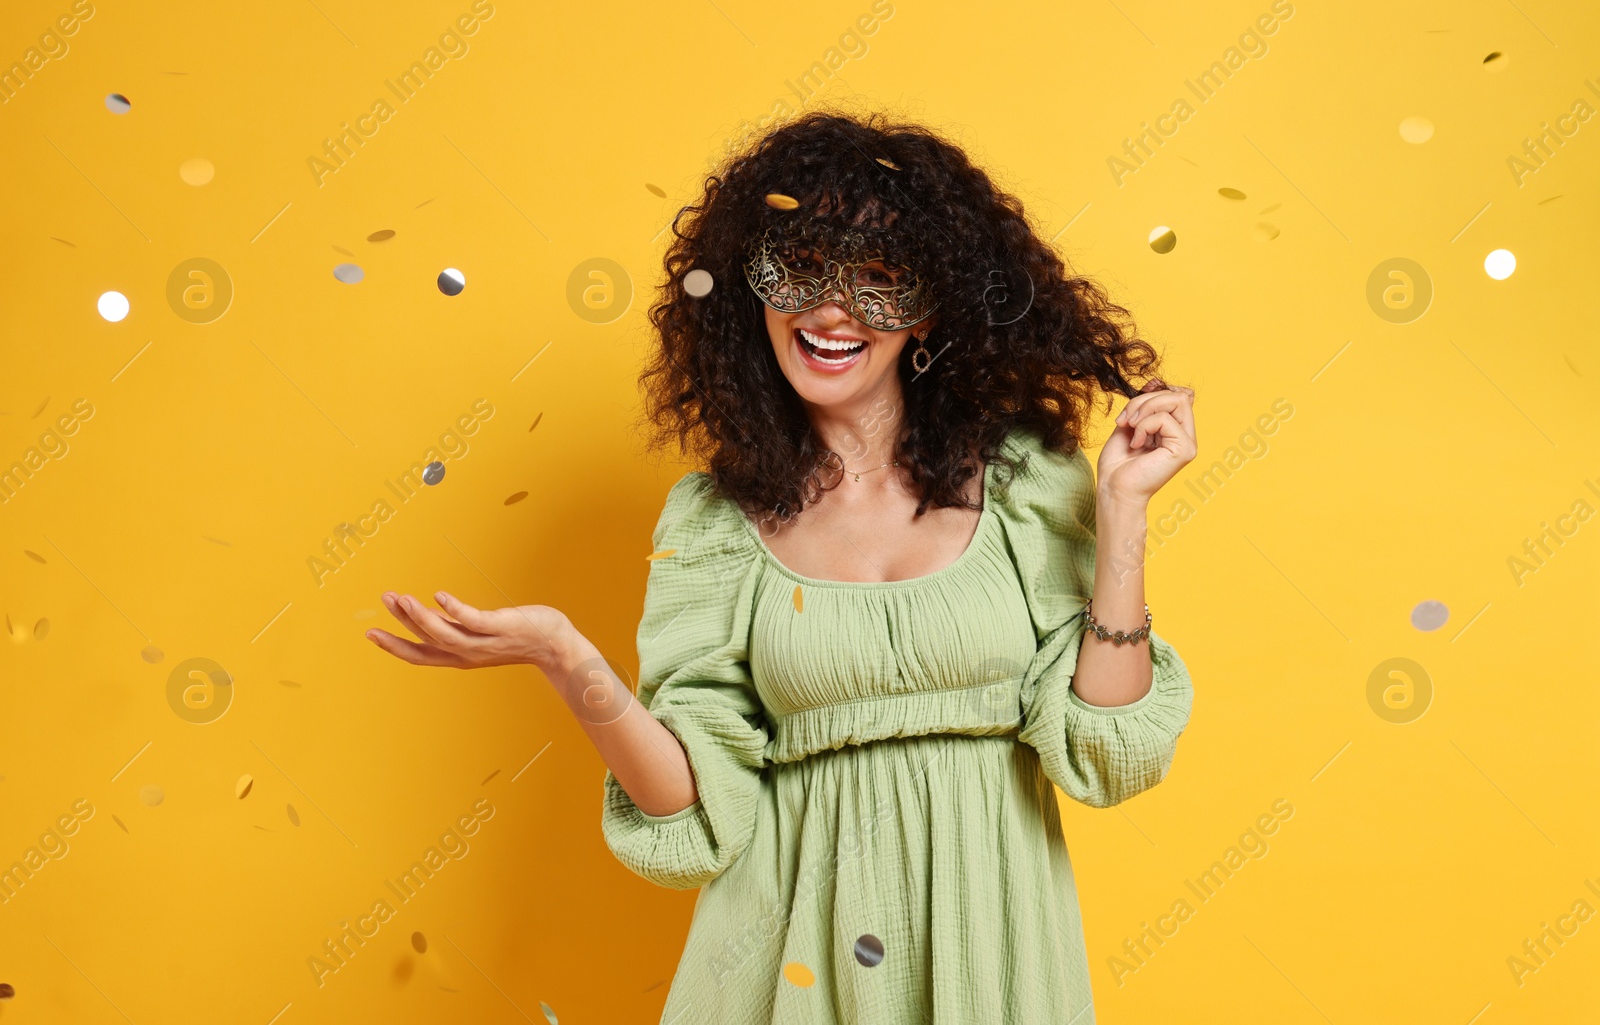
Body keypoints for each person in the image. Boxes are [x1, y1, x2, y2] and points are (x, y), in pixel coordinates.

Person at [366, 109, 1199, 1024]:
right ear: (750, 295)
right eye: (797, 270)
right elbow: (693, 810)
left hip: (993, 955)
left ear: (928, 309)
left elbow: (1103, 749)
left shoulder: (1028, 484)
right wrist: (571, 660)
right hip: (785, 967)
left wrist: (1123, 513)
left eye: (877, 279)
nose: (830, 309)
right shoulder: (716, 525)